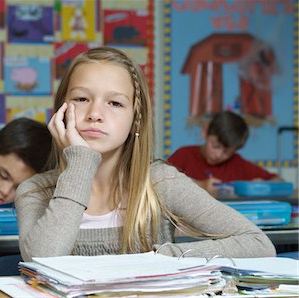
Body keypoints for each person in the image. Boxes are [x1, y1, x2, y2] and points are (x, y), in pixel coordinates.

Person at [15, 47, 275, 262]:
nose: (95, 113)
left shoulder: (161, 183)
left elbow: (258, 244)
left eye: (115, 103)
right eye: (82, 99)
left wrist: (164, 258)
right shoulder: (34, 191)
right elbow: (43, 261)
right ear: (61, 111)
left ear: (136, 121)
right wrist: (81, 161)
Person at [168, 111, 280, 195]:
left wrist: (263, 186)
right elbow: (160, 182)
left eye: (227, 152)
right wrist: (201, 185)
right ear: (205, 133)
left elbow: (278, 181)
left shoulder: (237, 163)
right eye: (215, 146)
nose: (219, 155)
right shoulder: (184, 155)